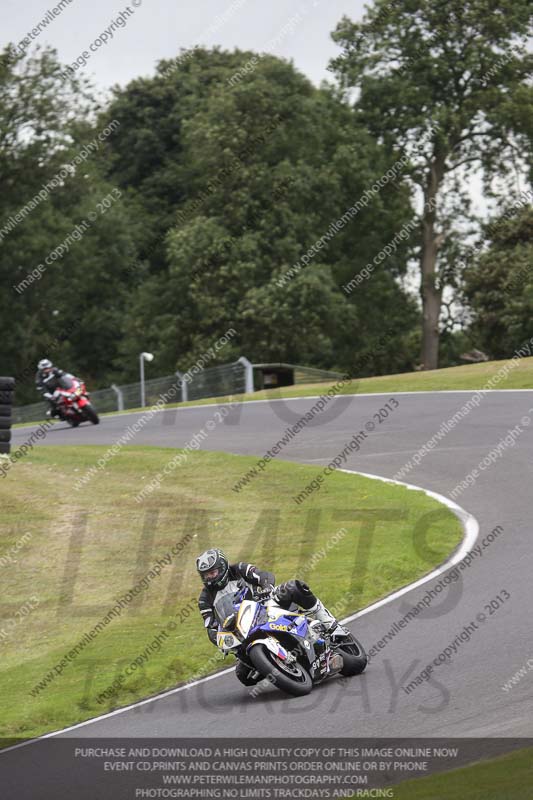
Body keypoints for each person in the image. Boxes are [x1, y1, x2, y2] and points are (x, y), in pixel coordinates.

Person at [196, 548, 345, 685]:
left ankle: (330, 624)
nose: (209, 578)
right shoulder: (205, 598)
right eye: (206, 575)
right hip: (241, 631)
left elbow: (262, 575)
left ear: (222, 567)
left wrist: (266, 587)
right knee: (244, 676)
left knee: (294, 587)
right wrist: (221, 640)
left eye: (212, 572)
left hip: (265, 607)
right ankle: (279, 666)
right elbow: (210, 626)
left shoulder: (238, 569)